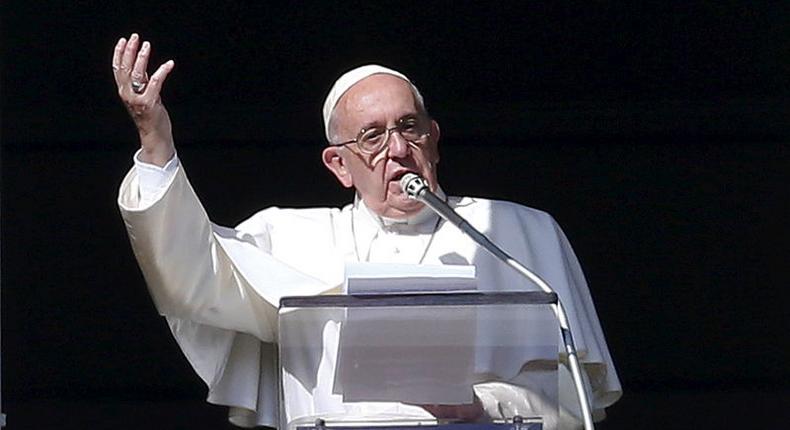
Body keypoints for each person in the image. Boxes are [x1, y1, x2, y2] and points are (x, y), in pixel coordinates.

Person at [113, 33, 622, 429]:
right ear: (338, 164)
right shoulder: (291, 238)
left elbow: (576, 397)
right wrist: (155, 143)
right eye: (373, 136)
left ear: (434, 137)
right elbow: (189, 272)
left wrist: (480, 407)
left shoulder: (518, 234)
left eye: (409, 127)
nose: (398, 150)